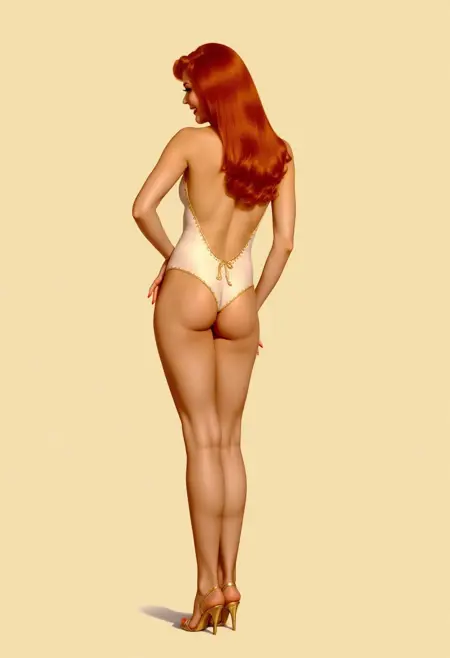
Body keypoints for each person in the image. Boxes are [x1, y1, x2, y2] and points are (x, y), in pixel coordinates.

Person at [132, 42, 296, 634]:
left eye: (191, 88)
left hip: (190, 285)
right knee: (229, 443)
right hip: (242, 296)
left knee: (201, 442)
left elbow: (141, 209)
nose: (186, 100)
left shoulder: (189, 142)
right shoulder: (279, 153)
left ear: (216, 91)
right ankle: (230, 581)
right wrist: (252, 305)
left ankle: (205, 589)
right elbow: (283, 243)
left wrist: (171, 258)